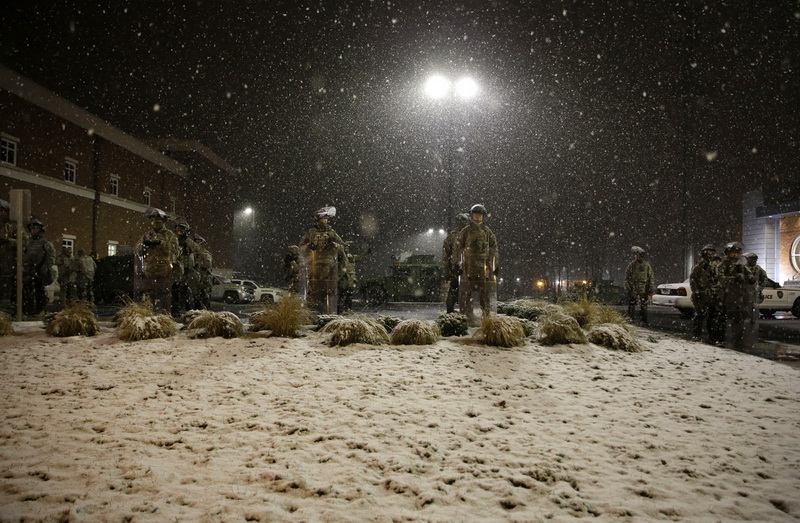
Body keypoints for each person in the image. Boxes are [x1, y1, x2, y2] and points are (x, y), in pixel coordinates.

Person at [454, 204, 499, 325]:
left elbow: (494, 248)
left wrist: (495, 265)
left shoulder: (487, 232)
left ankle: (486, 318)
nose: (478, 217)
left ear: (483, 217)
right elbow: (457, 247)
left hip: (483, 269)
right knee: (466, 294)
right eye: (475, 214)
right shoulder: (466, 231)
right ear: (471, 216)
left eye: (480, 215)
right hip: (468, 268)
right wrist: (456, 264)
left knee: (484, 295)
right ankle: (467, 317)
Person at [134, 207, 180, 314]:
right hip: (149, 272)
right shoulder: (147, 235)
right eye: (153, 221)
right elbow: (137, 249)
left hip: (164, 272)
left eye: (158, 221)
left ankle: (164, 317)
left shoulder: (169, 235)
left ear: (163, 222)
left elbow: (175, 251)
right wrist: (144, 245)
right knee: (149, 298)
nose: (155, 223)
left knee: (164, 298)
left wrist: (161, 244)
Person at [299, 206, 344, 314]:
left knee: (327, 292)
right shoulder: (311, 232)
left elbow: (342, 246)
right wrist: (310, 245)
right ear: (319, 219)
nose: (326, 221)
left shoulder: (331, 232)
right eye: (324, 218)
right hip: (313, 266)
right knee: (314, 292)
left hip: (329, 267)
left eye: (327, 219)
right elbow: (300, 247)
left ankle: (327, 313)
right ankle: (314, 312)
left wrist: (333, 245)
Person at [717, 241, 758, 350]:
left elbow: (749, 274)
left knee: (738, 320)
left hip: (739, 297)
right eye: (732, 253)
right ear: (727, 253)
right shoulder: (723, 264)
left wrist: (751, 278)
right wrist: (734, 279)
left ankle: (738, 342)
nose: (735, 255)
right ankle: (720, 340)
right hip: (726, 296)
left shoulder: (740, 264)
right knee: (722, 319)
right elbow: (720, 279)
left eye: (736, 253)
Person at [22, 218, 56, 316]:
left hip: (39, 269)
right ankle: (27, 308)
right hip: (27, 270)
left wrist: (44, 268)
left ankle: (38, 309)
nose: (33, 230)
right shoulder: (28, 242)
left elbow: (51, 257)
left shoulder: (45, 242)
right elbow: (23, 253)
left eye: (35, 228)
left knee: (38, 290)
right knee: (26, 290)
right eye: (31, 228)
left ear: (40, 229)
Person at [689, 244, 722, 344]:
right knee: (699, 316)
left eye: (711, 253)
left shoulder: (714, 266)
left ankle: (712, 337)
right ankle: (696, 335)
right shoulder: (698, 267)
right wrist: (697, 291)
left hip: (712, 295)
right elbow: (693, 280)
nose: (709, 255)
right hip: (701, 295)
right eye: (708, 252)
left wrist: (717, 289)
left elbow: (718, 279)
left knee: (712, 317)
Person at [171, 221, 202, 317]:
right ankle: (176, 312)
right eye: (178, 230)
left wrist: (189, 248)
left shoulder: (190, 243)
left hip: (189, 271)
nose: (179, 232)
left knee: (190, 293)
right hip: (177, 271)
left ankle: (191, 313)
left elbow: (198, 253)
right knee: (175, 291)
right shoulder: (174, 241)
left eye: (182, 230)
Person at [0, 199, 26, 307]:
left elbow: (24, 242)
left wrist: (8, 241)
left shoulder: (14, 226)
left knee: (5, 294)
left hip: (8, 267)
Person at [442, 213, 470, 314]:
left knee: (457, 290)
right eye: (461, 221)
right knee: (455, 289)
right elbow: (446, 255)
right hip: (458, 267)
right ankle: (452, 312)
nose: (463, 223)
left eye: (464, 221)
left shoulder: (469, 235)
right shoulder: (453, 236)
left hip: (466, 267)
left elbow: (446, 256)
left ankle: (458, 312)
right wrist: (448, 269)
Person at [624, 246, 654, 326]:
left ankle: (644, 321)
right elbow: (627, 276)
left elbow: (651, 278)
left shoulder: (646, 266)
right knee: (632, 303)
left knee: (643, 305)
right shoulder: (632, 265)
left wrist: (650, 290)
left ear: (641, 255)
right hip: (634, 287)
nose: (635, 256)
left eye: (637, 254)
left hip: (643, 287)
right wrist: (628, 286)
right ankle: (630, 319)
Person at [193, 235, 213, 309]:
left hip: (204, 280)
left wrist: (198, 263)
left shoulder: (205, 254)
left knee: (204, 298)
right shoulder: (194, 254)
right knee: (196, 300)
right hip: (196, 280)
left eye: (198, 242)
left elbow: (207, 265)